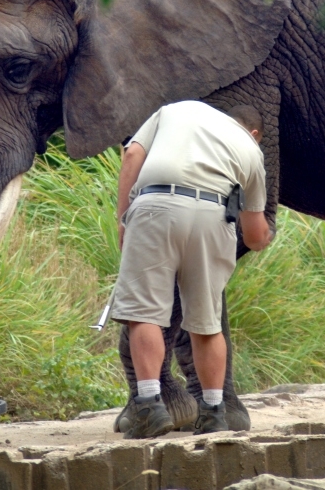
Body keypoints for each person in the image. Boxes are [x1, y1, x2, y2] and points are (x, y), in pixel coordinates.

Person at [110, 100, 274, 439]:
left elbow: (131, 156)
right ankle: (214, 412)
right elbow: (255, 235)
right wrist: (264, 237)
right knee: (206, 322)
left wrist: (124, 218)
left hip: (155, 206)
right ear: (254, 133)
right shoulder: (250, 149)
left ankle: (149, 406)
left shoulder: (174, 110)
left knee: (145, 314)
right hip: (213, 216)